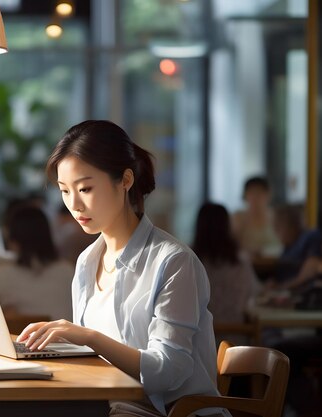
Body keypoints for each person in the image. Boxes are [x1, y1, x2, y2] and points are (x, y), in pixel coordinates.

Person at [17, 120, 220, 416]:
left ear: (125, 180)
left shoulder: (173, 262)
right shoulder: (87, 261)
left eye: (85, 188)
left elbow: (168, 371)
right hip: (111, 405)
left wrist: (88, 338)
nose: (74, 205)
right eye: (64, 191)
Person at [0, 204, 74, 321]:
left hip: (22, 337)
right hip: (67, 337)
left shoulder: (3, 273)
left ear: (13, 238)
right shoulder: (68, 271)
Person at [192, 202, 259, 343]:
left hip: (198, 342)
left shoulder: (189, 261)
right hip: (236, 343)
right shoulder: (240, 262)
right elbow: (253, 295)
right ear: (227, 227)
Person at [231, 176, 282, 259]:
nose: (255, 198)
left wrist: (263, 251)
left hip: (275, 265)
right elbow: (232, 246)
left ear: (268, 195)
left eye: (259, 193)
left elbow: (284, 246)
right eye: (251, 193)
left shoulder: (277, 217)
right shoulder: (238, 217)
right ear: (245, 196)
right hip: (245, 266)